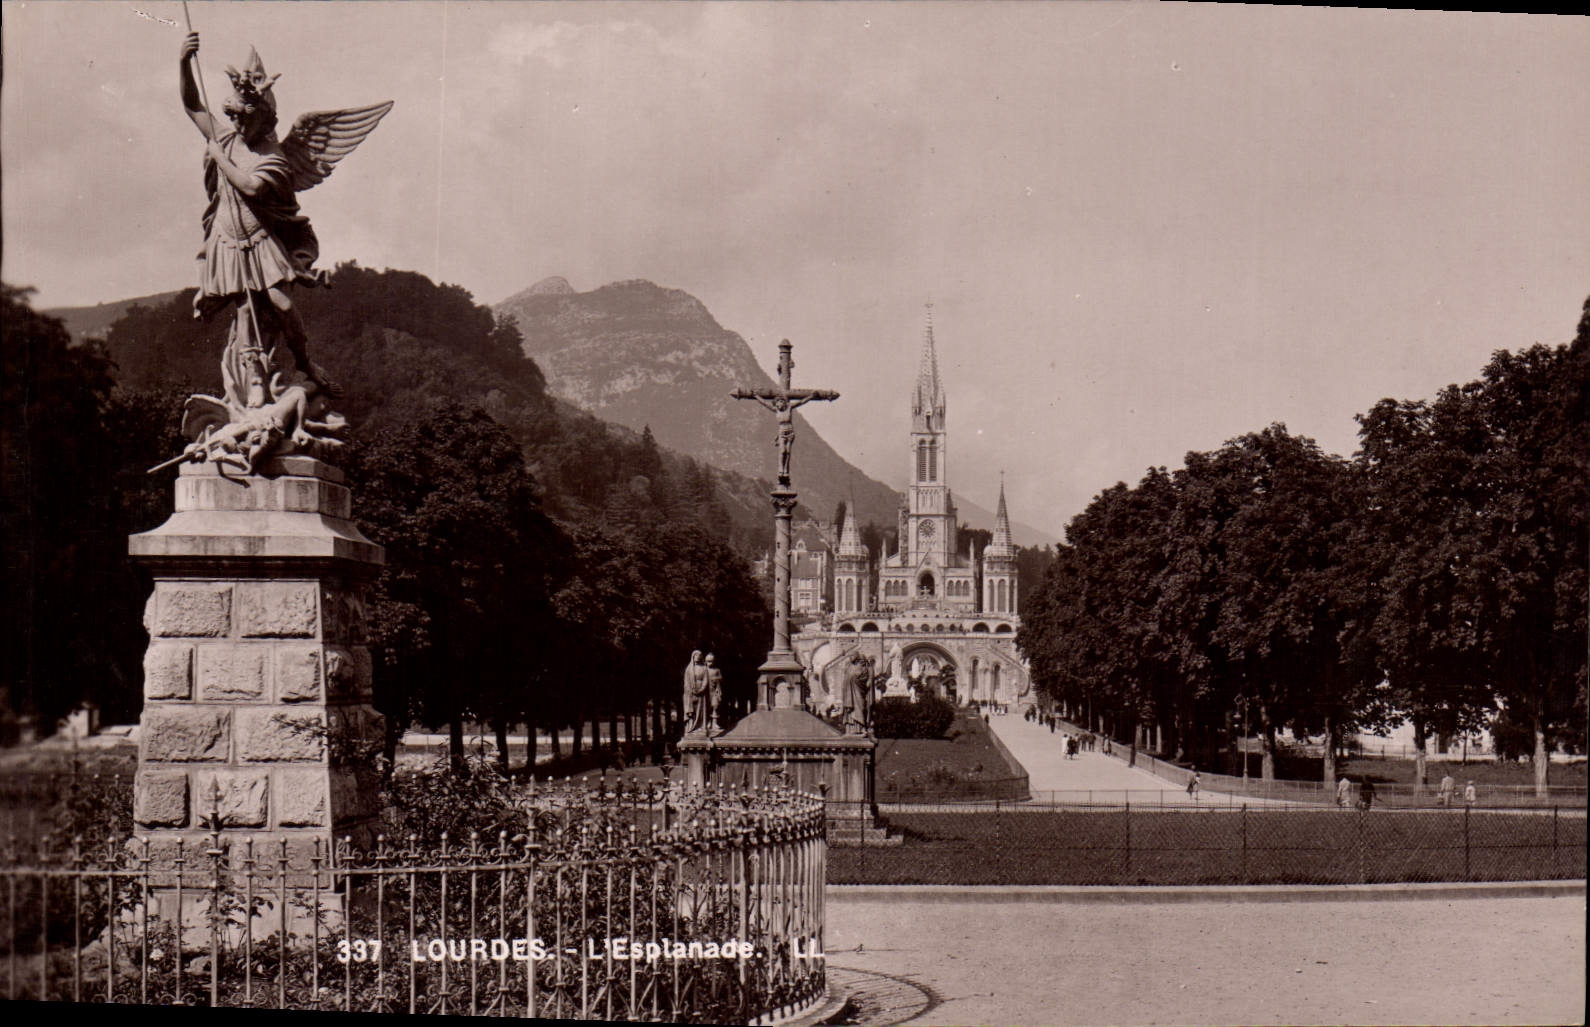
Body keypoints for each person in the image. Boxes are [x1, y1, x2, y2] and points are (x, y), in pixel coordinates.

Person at [682, 651, 712, 734]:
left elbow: (706, 680)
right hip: (691, 692)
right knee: (692, 711)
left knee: (701, 711)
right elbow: (686, 682)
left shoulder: (704, 668)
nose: (698, 657)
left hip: (701, 693)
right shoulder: (689, 669)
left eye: (699, 655)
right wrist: (691, 690)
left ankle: (700, 727)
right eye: (696, 655)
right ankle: (691, 727)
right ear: (693, 657)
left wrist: (701, 689)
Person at [704, 653, 724, 732]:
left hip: (714, 690)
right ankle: (708, 722)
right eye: (708, 661)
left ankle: (715, 723)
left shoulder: (717, 670)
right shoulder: (704, 670)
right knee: (707, 707)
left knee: (715, 706)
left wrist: (716, 679)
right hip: (706, 691)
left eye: (712, 661)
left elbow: (720, 678)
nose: (710, 663)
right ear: (705, 661)